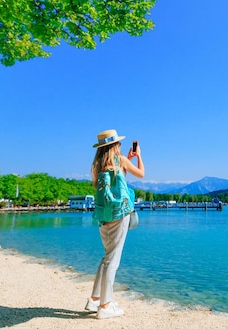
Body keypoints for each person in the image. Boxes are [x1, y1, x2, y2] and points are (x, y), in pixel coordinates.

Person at [85, 129, 145, 319]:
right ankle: (105, 306)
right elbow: (141, 174)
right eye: (118, 144)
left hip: (103, 216)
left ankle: (95, 299)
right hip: (120, 214)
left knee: (107, 257)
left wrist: (127, 157)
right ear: (115, 145)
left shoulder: (98, 166)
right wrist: (138, 156)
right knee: (113, 260)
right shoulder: (120, 161)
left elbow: (119, 179)